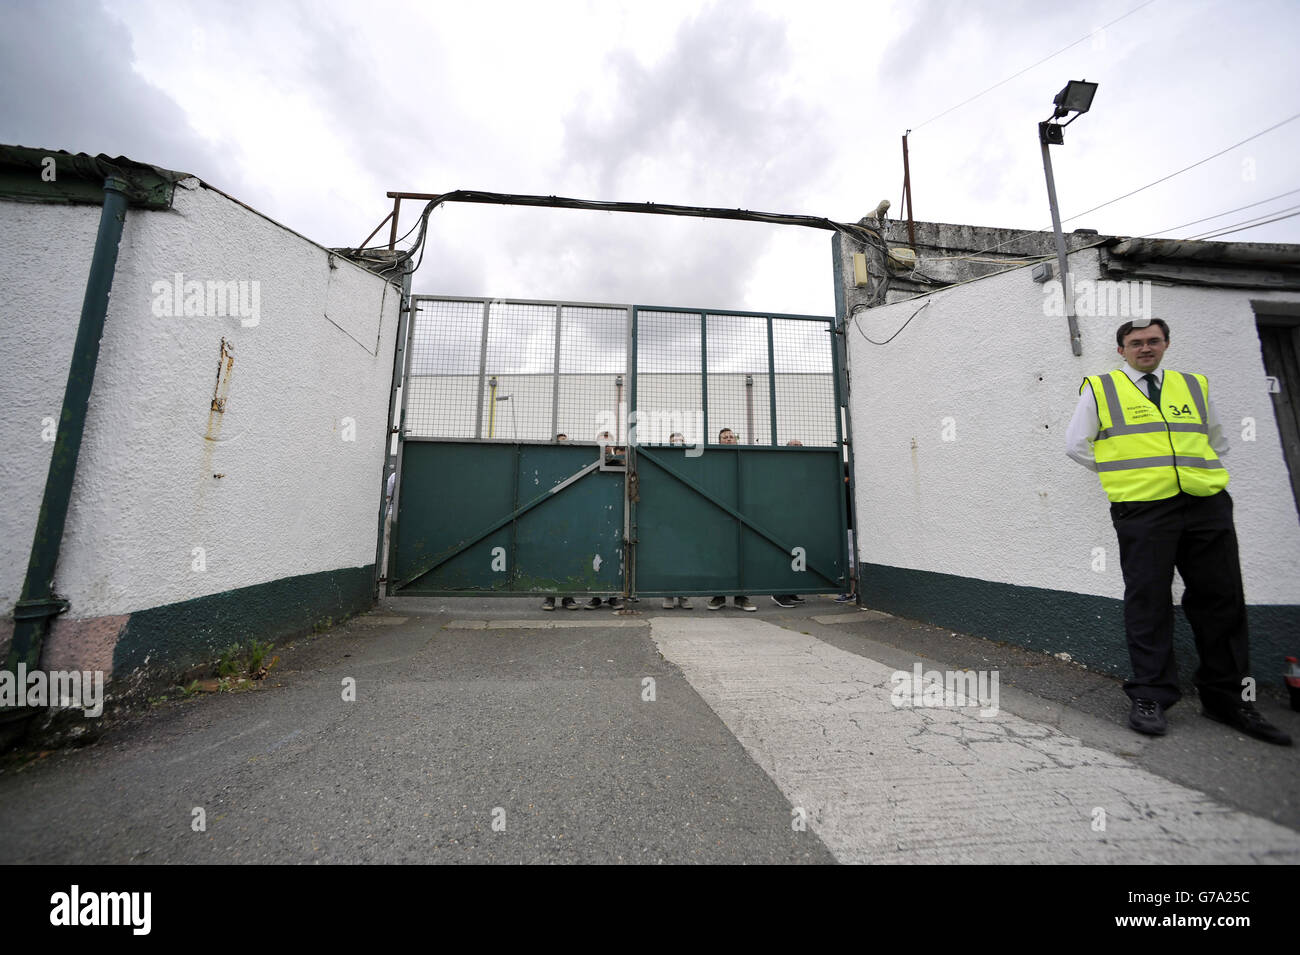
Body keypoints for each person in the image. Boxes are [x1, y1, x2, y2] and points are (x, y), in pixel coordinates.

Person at [1066, 317, 1290, 745]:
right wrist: (1126, 478)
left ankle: (1227, 700)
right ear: (1122, 350)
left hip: (1206, 506)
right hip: (1144, 509)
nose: (1145, 348)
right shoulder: (1100, 389)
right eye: (1135, 343)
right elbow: (1076, 445)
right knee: (1149, 599)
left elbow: (1217, 440)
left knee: (1222, 599)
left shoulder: (1193, 385)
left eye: (1153, 341)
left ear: (1166, 344)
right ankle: (1150, 695)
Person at [709, 427, 757, 612]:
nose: (728, 439)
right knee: (720, 555)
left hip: (742, 512)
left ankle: (741, 597)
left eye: (731, 437)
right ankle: (718, 596)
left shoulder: (744, 457)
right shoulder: (714, 459)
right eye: (724, 437)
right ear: (719, 441)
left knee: (742, 555)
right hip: (719, 512)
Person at [662, 432, 694, 609]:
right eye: (673, 441)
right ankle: (668, 594)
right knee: (668, 555)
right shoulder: (662, 460)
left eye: (680, 441)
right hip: (667, 516)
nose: (677, 444)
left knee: (685, 556)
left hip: (686, 516)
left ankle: (684, 595)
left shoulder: (689, 462)